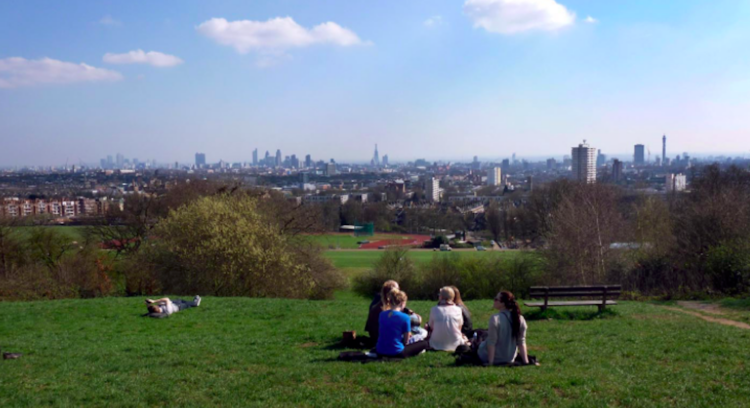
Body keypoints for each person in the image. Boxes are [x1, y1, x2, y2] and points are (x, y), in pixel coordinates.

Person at [477, 291, 529, 365]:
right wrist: (525, 361)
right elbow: (521, 342)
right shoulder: (520, 319)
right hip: (510, 358)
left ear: (503, 303)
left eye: (496, 299)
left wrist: (490, 362)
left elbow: (491, 342)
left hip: (490, 356)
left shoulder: (495, 318)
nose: (494, 301)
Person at [376, 289, 429, 358]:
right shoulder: (405, 317)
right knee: (424, 343)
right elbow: (406, 341)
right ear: (402, 303)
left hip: (380, 351)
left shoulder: (382, 314)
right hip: (397, 352)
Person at [428, 287, 468, 352]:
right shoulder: (458, 310)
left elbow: (431, 326)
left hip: (435, 343)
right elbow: (459, 327)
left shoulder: (434, 309)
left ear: (440, 297)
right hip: (455, 343)